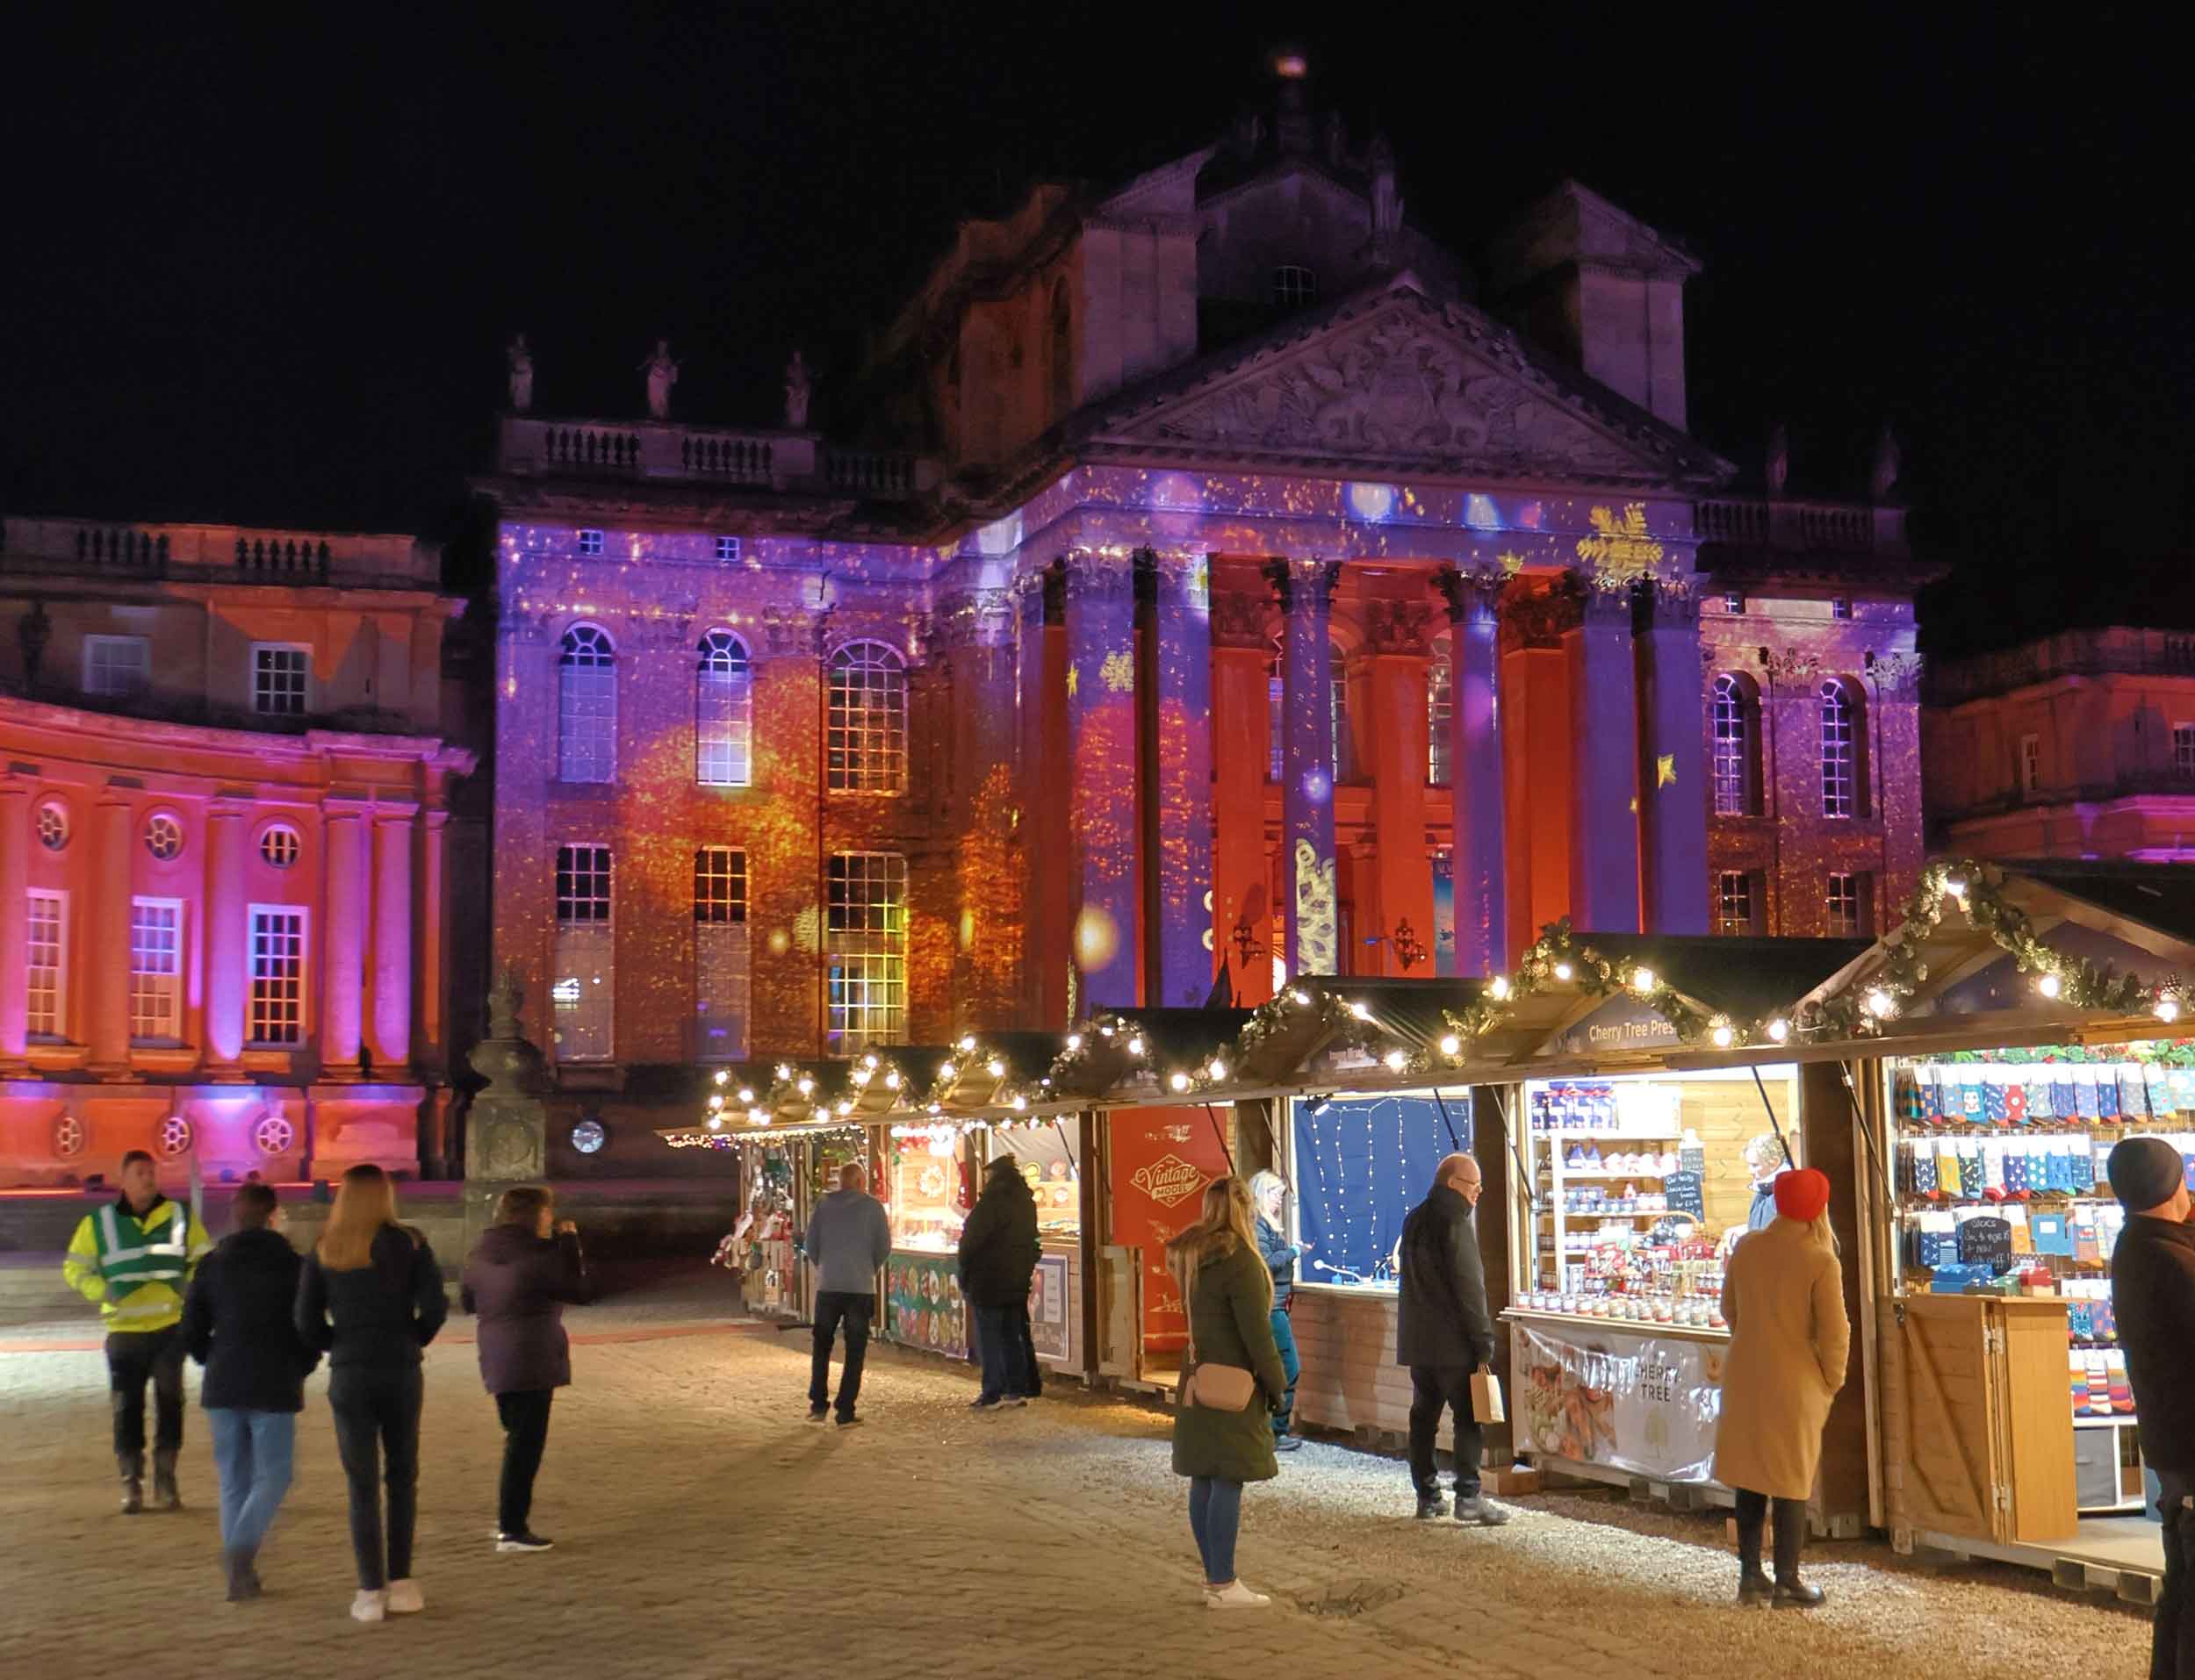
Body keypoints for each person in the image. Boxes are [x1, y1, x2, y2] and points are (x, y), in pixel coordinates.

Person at [295, 1164, 448, 1624]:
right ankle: (402, 1581)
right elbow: (437, 1307)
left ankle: (369, 1590)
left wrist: (336, 1344)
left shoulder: (325, 1248)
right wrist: (412, 1337)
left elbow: (304, 1319)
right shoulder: (410, 1243)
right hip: (399, 1368)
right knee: (402, 1476)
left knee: (360, 1483)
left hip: (351, 1371)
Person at [1712, 1167, 1849, 1609]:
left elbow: (1728, 1309)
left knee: (1751, 1476)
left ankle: (1750, 1576)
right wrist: (1832, 1380)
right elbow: (1834, 1332)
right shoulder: (1820, 1259)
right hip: (1796, 1382)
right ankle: (1788, 1580)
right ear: (1819, 1207)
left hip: (1746, 1375)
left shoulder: (1748, 1247)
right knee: (1792, 1479)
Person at [179, 1181, 319, 1600]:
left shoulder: (213, 1263)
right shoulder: (295, 1265)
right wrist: (302, 1364)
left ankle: (238, 1571)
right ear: (273, 1215)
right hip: (275, 1378)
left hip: (224, 1379)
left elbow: (191, 1326)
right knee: (275, 1475)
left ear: (235, 1217)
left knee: (233, 1481)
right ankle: (240, 1554)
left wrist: (210, 1358)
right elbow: (309, 1324)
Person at [62, 1149, 214, 1512]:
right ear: (124, 1180)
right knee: (126, 1408)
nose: (148, 1178)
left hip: (168, 1329)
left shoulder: (180, 1217)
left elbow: (205, 1261)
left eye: (151, 1171)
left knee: (170, 1403)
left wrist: (189, 1286)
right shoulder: (98, 1224)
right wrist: (101, 1291)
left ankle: (166, 1479)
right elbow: (74, 1269)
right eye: (140, 1173)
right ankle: (131, 1482)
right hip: (124, 1330)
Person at [1165, 1176, 1289, 1608]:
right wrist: (1278, 1386)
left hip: (1197, 1379)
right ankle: (1224, 1581)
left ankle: (1212, 1578)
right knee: (1228, 1479)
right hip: (1234, 1383)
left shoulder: (1192, 1257)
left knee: (1204, 1476)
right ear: (1245, 1209)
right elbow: (1258, 1335)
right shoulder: (1242, 1262)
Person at [2106, 1137, 2195, 1677]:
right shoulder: (2173, 1264)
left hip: (2170, 1438)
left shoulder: (2138, 1245)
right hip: (2191, 1438)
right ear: (2170, 1185)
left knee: (2180, 1583)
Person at [461, 1185, 588, 1554]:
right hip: (533, 1352)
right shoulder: (542, 1253)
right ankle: (512, 1527)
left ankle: (509, 1520)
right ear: (535, 1215)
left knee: (515, 1433)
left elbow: (468, 1301)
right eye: (547, 1212)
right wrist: (570, 1244)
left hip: (496, 1352)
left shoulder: (480, 1252)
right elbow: (580, 1290)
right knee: (525, 1444)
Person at [1396, 1152, 1510, 1526]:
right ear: (1453, 1183)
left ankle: (1427, 1497)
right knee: (1467, 1420)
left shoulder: (1414, 1219)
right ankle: (1469, 1497)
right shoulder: (1456, 1223)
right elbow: (1469, 1287)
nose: (1478, 1192)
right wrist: (1483, 1339)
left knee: (1423, 1420)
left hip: (1419, 1343)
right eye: (1474, 1185)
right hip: (1453, 1344)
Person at [802, 1161, 890, 1426]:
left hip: (828, 1286)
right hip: (860, 1287)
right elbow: (884, 1246)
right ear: (861, 1181)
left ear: (839, 1182)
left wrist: (825, 1267)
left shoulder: (823, 1205)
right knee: (855, 1349)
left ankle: (818, 1404)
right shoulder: (873, 1207)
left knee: (821, 1346)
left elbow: (810, 1244)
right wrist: (867, 1268)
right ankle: (845, 1410)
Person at [957, 1157, 1040, 1411]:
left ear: (994, 1175)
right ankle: (1015, 1389)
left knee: (989, 1338)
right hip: (1016, 1280)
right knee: (1011, 1335)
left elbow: (971, 1241)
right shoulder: (1026, 1203)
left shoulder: (990, 1203)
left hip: (989, 1280)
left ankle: (992, 1391)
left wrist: (966, 1271)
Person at [1249, 1170, 1306, 1453]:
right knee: (1288, 1368)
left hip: (1275, 1305)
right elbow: (1266, 1262)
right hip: (1270, 1308)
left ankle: (1267, 1429)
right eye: (1275, 1195)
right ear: (1262, 1193)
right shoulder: (1259, 1225)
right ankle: (1276, 1431)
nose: (1278, 1201)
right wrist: (1294, 1252)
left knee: (1274, 1369)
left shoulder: (1265, 1225)